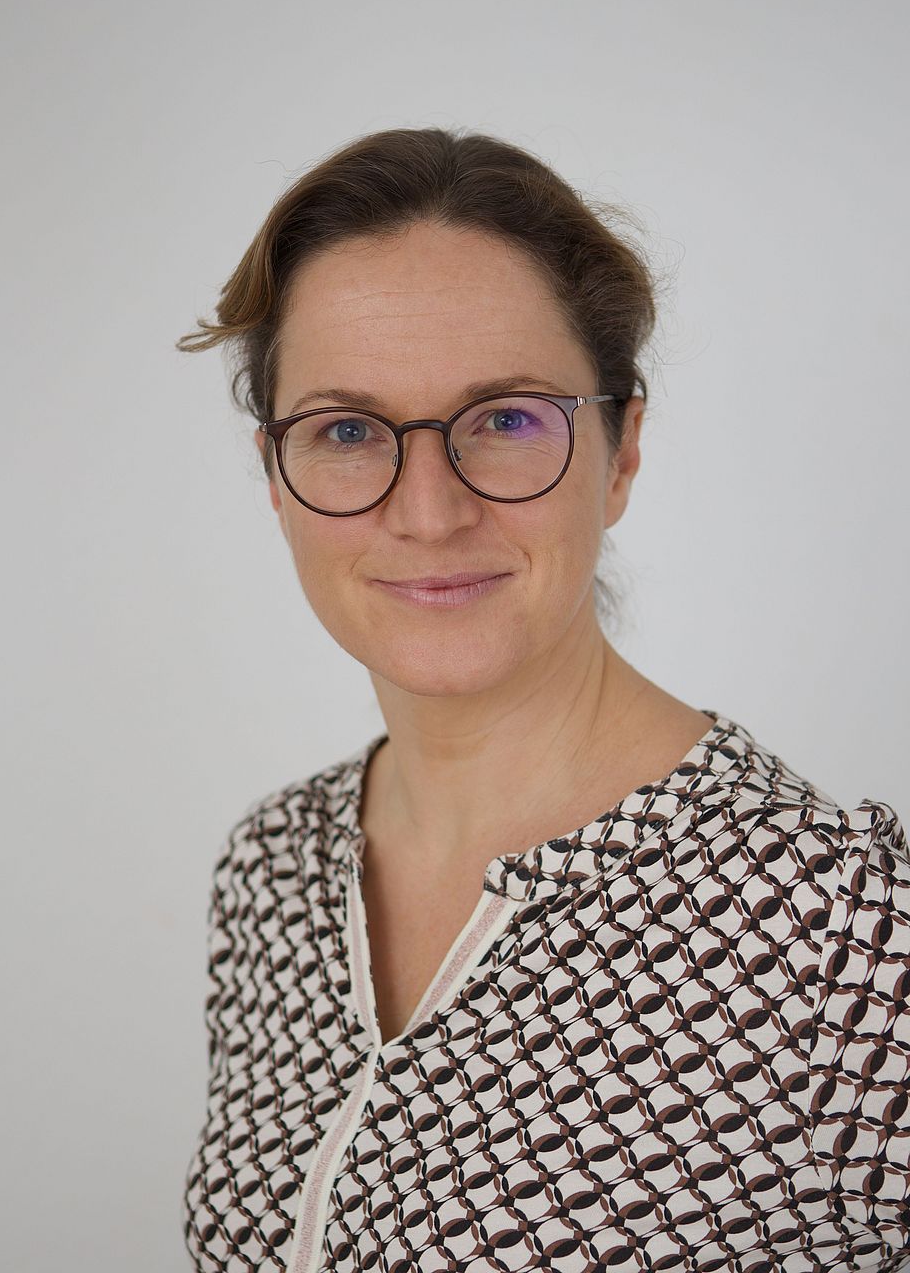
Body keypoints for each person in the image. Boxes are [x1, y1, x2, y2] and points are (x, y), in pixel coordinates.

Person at [175, 127, 909, 1273]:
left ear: (621, 452)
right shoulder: (271, 869)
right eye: (348, 431)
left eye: (507, 418)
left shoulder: (835, 923)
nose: (428, 512)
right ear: (276, 474)